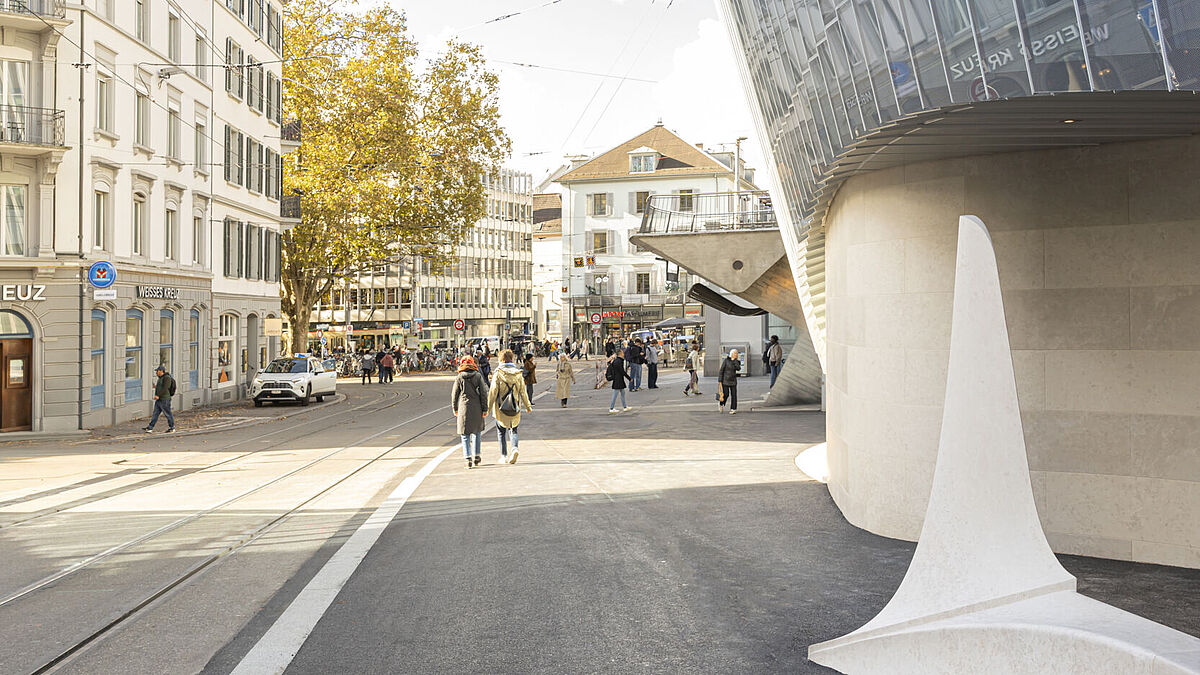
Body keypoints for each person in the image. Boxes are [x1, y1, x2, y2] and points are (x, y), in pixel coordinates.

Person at [487, 350, 532, 464]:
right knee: (513, 429)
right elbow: (523, 391)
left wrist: (487, 408)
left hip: (500, 407)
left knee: (501, 431)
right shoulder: (518, 374)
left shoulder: (498, 373)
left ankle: (503, 456)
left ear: (501, 359)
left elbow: (492, 392)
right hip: (514, 406)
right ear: (511, 359)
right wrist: (527, 406)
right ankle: (515, 448)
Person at [452, 356, 489, 469]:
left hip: (464, 407)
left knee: (465, 434)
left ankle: (467, 458)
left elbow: (454, 394)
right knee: (476, 432)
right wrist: (485, 409)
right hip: (477, 407)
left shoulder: (459, 377)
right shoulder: (477, 376)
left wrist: (455, 408)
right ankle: (477, 455)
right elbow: (483, 393)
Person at [144, 366, 177, 433]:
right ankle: (150, 427)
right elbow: (161, 386)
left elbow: (165, 388)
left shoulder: (167, 378)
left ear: (161, 371)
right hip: (159, 400)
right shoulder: (161, 378)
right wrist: (156, 387)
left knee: (168, 413)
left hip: (164, 399)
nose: (156, 372)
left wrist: (158, 395)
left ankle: (172, 427)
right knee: (155, 413)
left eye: (157, 371)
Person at [606, 348, 632, 413]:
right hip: (618, 379)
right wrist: (629, 378)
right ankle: (611, 408)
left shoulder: (618, 360)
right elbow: (622, 371)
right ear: (620, 353)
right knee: (615, 394)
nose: (624, 353)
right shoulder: (618, 361)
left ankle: (625, 407)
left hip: (619, 379)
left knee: (622, 393)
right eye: (623, 352)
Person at [718, 349, 742, 414]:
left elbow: (738, 368)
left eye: (737, 353)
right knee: (726, 394)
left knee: (734, 395)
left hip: (733, 380)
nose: (736, 355)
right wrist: (720, 380)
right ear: (731, 354)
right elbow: (721, 370)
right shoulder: (726, 361)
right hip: (725, 380)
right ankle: (721, 403)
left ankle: (733, 408)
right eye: (735, 353)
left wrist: (735, 361)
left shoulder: (737, 361)